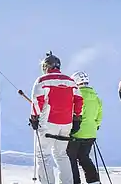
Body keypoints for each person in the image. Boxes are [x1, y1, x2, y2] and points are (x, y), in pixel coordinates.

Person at [29, 51, 84, 184]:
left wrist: (34, 118)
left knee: (43, 155)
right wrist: (77, 118)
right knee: (61, 155)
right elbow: (79, 100)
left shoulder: (43, 80)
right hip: (66, 123)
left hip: (48, 122)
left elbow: (38, 101)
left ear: (47, 66)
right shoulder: (71, 81)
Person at [66, 71, 103, 184]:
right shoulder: (96, 97)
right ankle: (94, 180)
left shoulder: (75, 96)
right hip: (91, 133)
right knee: (84, 157)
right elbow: (99, 116)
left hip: (76, 134)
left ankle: (75, 181)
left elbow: (71, 113)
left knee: (71, 158)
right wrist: (95, 127)